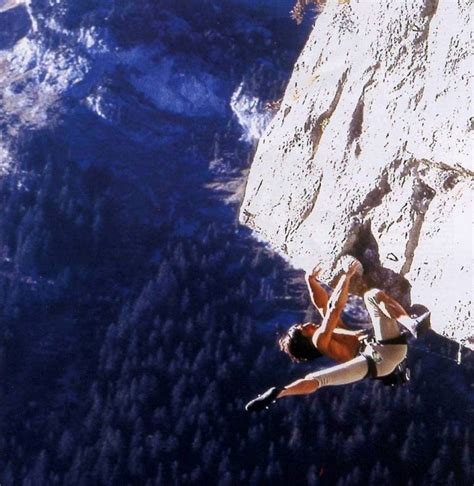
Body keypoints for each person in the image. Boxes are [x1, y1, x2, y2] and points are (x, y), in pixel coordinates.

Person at [245, 257, 430, 412]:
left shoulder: (330, 334)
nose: (308, 323)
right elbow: (333, 309)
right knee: (372, 296)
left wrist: (311, 282)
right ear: (306, 339)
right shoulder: (320, 339)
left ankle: (281, 392)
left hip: (385, 359)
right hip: (379, 356)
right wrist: (347, 275)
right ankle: (410, 324)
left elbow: (322, 305)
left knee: (318, 379)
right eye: (304, 328)